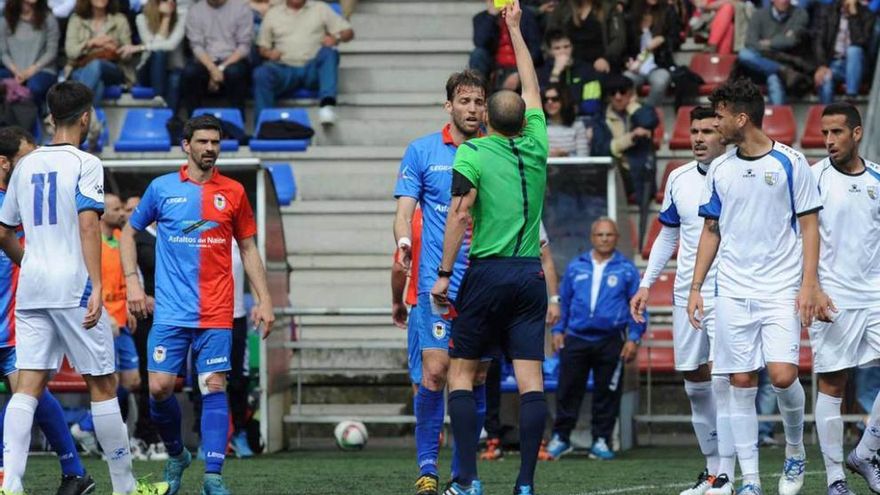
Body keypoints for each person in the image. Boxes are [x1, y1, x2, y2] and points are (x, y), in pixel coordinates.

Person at [0, 81, 167, 495]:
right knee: (103, 384)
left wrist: (32, 263)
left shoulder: (25, 166)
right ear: (87, 117)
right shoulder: (85, 163)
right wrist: (95, 283)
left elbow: (3, 233)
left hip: (33, 288)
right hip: (73, 285)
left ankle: (12, 482)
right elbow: (89, 223)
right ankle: (125, 488)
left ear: (51, 117)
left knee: (29, 385)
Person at [121, 115, 274, 495]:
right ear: (186, 145)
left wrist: (265, 301)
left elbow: (249, 248)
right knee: (158, 388)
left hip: (218, 310)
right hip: (171, 310)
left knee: (214, 385)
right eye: (202, 142)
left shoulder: (235, 192)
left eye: (215, 143)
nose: (209, 148)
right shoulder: (162, 189)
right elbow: (128, 233)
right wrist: (132, 285)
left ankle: (213, 476)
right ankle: (176, 454)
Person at [687, 78, 825, 495]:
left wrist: (809, 284)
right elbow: (712, 229)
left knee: (783, 376)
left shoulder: (790, 162)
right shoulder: (721, 169)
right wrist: (696, 286)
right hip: (730, 290)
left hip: (780, 288)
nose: (716, 124)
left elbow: (809, 224)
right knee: (741, 382)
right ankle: (750, 481)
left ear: (741, 117)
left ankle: (795, 449)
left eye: (720, 116)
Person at [430, 0, 547, 492]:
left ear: (487, 121)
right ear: (523, 119)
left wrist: (443, 272)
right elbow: (532, 82)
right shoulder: (538, 140)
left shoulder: (473, 151)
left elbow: (459, 214)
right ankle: (524, 483)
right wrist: (516, 31)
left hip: (486, 272)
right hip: (529, 275)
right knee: (531, 383)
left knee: (461, 374)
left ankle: (468, 480)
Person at [392, 69, 490, 495]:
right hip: (436, 283)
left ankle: (465, 472)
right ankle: (428, 468)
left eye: (479, 102)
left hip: (485, 283)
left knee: (478, 378)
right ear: (448, 105)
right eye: (465, 101)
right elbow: (404, 208)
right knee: (435, 372)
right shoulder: (422, 151)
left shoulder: (497, 150)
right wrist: (402, 240)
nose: (473, 109)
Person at [630, 106, 736, 495]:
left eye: (708, 131)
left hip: (729, 292)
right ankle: (712, 471)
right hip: (685, 294)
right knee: (694, 381)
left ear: (723, 135)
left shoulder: (739, 174)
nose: (699, 138)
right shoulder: (677, 177)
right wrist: (645, 284)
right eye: (694, 131)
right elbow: (668, 236)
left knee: (724, 380)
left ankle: (728, 472)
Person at [0, 126, 97, 495]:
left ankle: (72, 471)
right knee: (29, 396)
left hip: (12, 322)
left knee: (30, 395)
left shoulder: (25, 202)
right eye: (26, 156)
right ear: (5, 163)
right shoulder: (16, 203)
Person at [808, 103, 880, 495]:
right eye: (825, 134)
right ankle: (836, 479)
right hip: (831, 297)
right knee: (833, 385)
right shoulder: (812, 178)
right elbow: (799, 238)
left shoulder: (879, 178)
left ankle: (866, 452)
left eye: (837, 132)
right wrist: (811, 287)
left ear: (856, 134)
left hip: (875, 294)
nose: (830, 141)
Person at [545, 217, 643, 461]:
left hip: (611, 340)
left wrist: (634, 338)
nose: (604, 239)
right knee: (567, 390)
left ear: (616, 238)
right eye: (600, 235)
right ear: (592, 238)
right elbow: (563, 303)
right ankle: (561, 438)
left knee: (607, 393)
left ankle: (601, 440)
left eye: (609, 235)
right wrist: (557, 332)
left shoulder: (626, 269)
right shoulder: (576, 266)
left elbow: (638, 307)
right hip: (576, 338)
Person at [70, 192, 143, 459]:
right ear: (102, 213)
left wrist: (128, 307)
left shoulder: (120, 242)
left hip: (122, 321)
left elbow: (126, 279)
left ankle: (88, 427)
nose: (123, 214)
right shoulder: (91, 244)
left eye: (124, 209)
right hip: (104, 321)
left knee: (131, 380)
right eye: (116, 209)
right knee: (108, 382)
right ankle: (102, 438)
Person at [253, 0, 354, 125]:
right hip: (285, 69)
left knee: (329, 53)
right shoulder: (273, 13)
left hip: (312, 69)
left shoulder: (320, 8)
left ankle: (327, 106)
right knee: (262, 73)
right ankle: (264, 124)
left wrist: (336, 37)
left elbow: (348, 32)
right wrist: (269, 53)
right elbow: (262, 47)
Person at [181, 0, 251, 117]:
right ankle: (193, 122)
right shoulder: (195, 10)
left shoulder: (241, 8)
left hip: (232, 60)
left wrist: (221, 68)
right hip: (206, 61)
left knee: (234, 73)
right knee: (190, 73)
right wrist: (212, 69)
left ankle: (238, 123)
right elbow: (196, 46)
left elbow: (244, 46)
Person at [65, 0, 140, 107]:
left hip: (113, 69)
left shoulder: (120, 20)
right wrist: (92, 43)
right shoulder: (76, 20)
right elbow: (71, 52)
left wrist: (115, 49)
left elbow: (128, 56)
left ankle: (72, 110)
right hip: (81, 67)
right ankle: (88, 122)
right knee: (98, 84)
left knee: (97, 64)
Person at [736, 0, 808, 105]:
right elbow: (750, 42)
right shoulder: (759, 14)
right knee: (744, 54)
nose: (784, 1)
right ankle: (780, 70)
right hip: (761, 62)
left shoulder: (800, 13)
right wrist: (782, 40)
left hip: (785, 60)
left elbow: (791, 41)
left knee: (774, 78)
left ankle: (778, 118)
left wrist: (768, 43)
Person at [0, 0, 61, 114]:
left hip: (43, 70)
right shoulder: (5, 20)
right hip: (14, 70)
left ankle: (38, 116)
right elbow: (3, 53)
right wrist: (16, 71)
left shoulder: (49, 19)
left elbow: (51, 52)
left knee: (34, 87)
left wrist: (29, 71)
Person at [469, 0, 543, 91]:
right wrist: (491, 16)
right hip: (496, 67)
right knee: (477, 54)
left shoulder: (526, 15)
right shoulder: (480, 18)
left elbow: (536, 51)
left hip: (519, 65)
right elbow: (480, 42)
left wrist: (519, 72)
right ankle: (478, 91)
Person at [812, 0, 874, 104]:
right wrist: (822, 65)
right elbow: (819, 40)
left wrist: (853, 16)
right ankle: (827, 115)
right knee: (825, 79)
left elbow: (859, 42)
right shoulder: (828, 11)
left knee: (853, 50)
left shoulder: (867, 15)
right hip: (835, 63)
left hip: (858, 65)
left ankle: (851, 97)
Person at [135, 0, 186, 114]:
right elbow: (156, 48)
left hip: (172, 68)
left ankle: (168, 118)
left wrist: (142, 47)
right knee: (159, 53)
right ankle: (158, 97)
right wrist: (165, 20)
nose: (170, 2)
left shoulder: (181, 19)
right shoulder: (141, 18)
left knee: (175, 80)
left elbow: (171, 45)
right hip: (147, 71)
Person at [547, 0, 626, 73]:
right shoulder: (562, 8)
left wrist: (606, 58)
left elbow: (618, 38)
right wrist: (556, 58)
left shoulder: (608, 8)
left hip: (600, 64)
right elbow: (549, 38)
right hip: (570, 66)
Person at [538, 30, 602, 117]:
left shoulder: (586, 69)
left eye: (566, 46)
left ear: (572, 47)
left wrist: (568, 109)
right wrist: (555, 73)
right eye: (557, 48)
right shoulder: (542, 73)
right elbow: (543, 103)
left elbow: (593, 104)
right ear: (550, 51)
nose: (563, 51)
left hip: (580, 119)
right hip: (550, 121)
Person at [543, 82, 589, 157]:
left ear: (564, 100)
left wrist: (566, 156)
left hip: (572, 168)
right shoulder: (539, 126)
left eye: (555, 99)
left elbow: (583, 157)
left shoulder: (578, 126)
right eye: (546, 99)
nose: (550, 102)